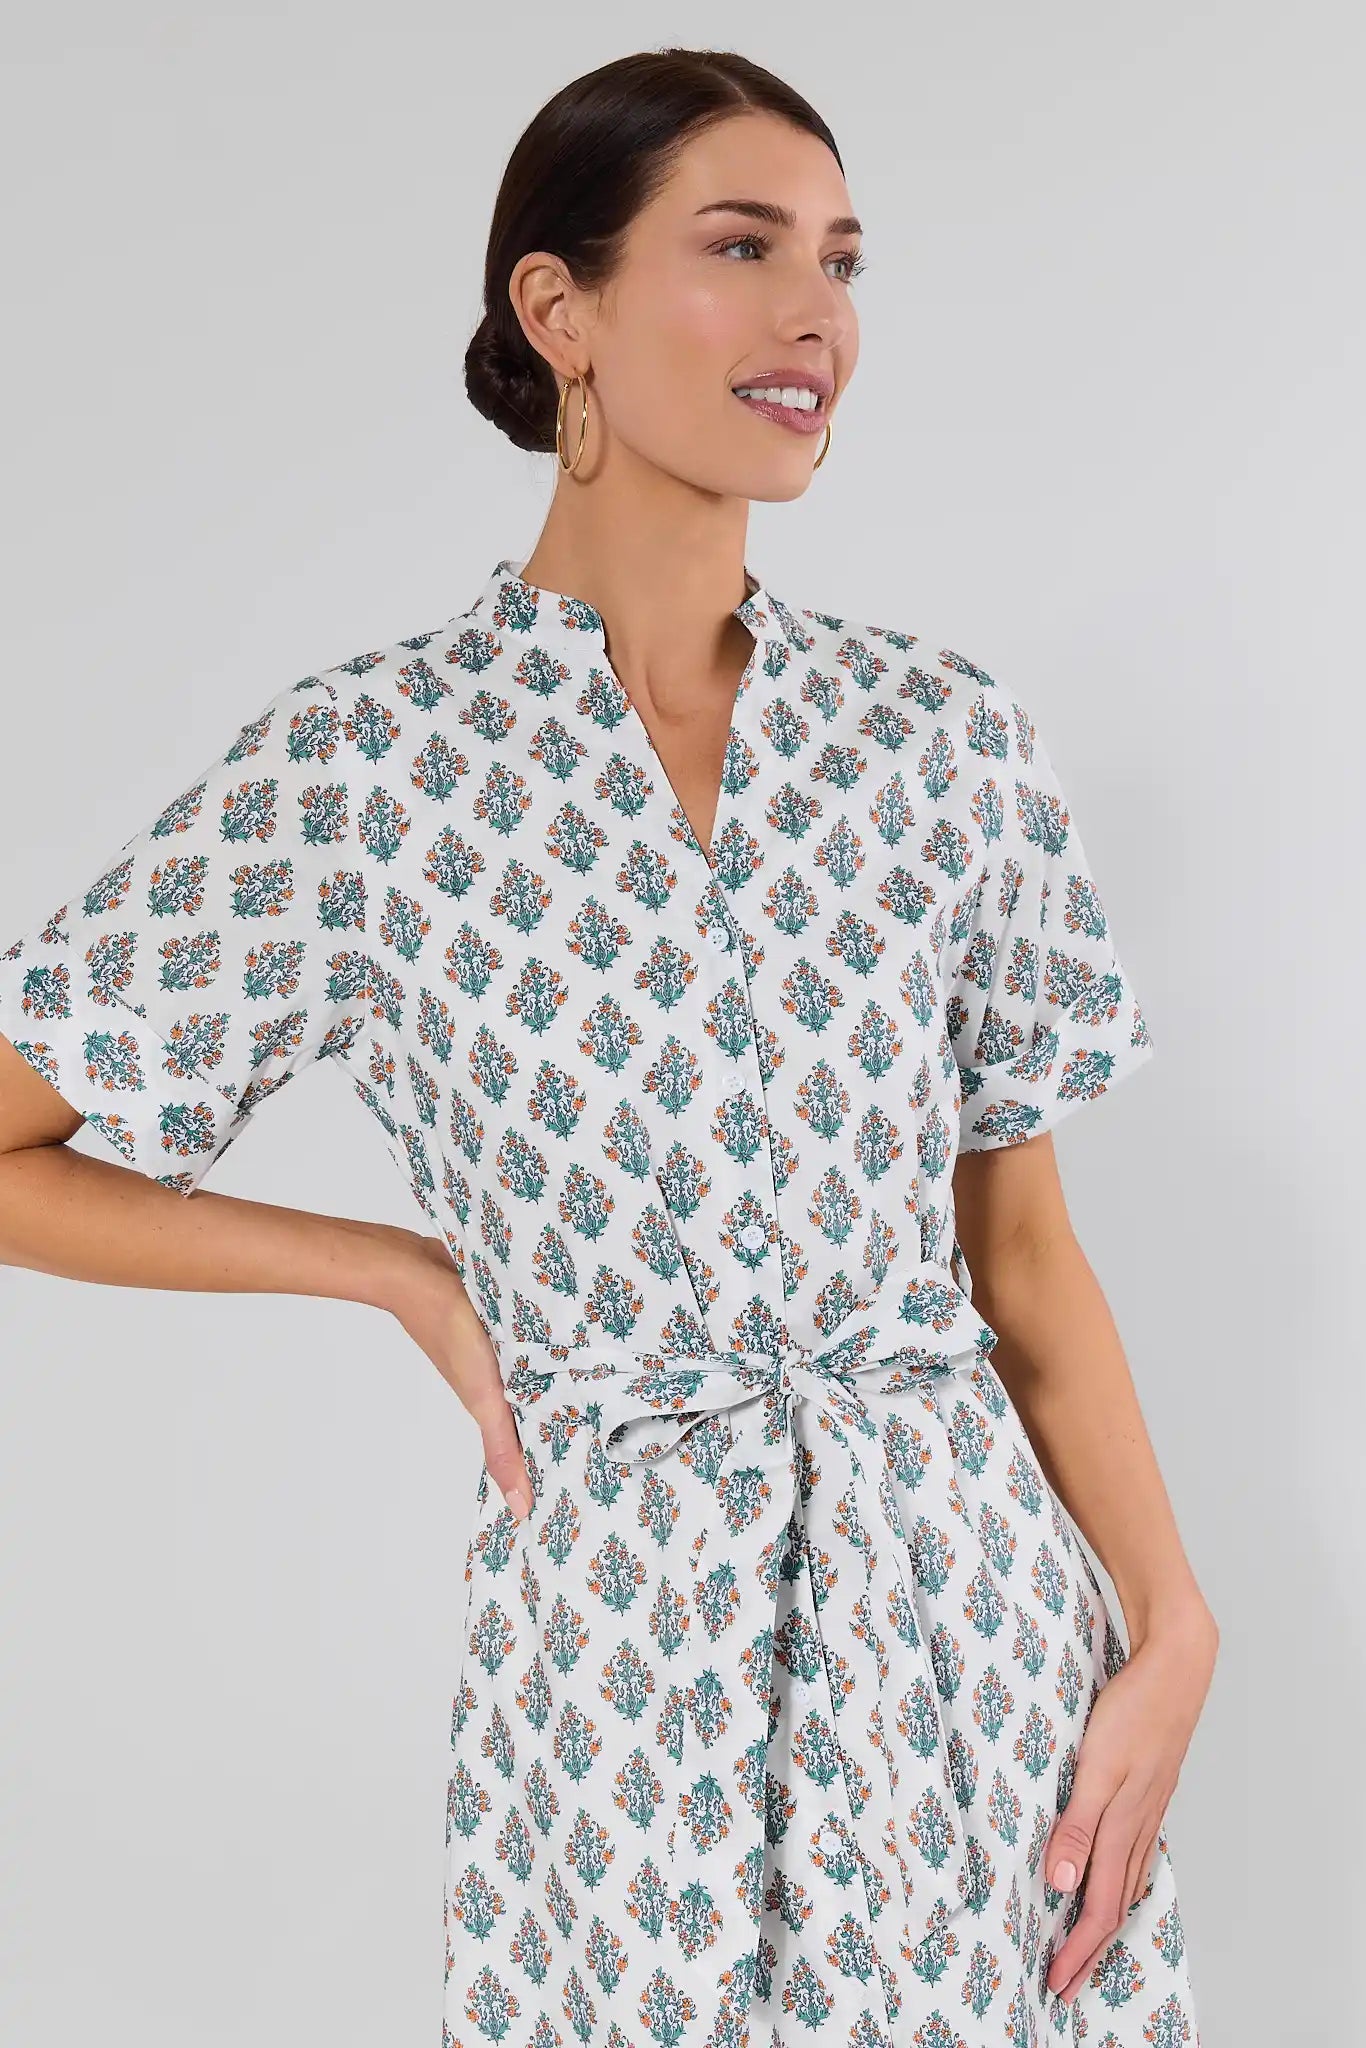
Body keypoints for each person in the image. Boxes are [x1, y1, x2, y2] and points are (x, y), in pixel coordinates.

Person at [0, 47, 1214, 2048]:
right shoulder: (370, 772)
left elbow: (1017, 1265)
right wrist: (394, 1268)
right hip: (630, 1641)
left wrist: (1168, 1631)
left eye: (837, 258)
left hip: (975, 1626)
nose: (811, 311)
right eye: (736, 248)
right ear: (556, 309)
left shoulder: (941, 738)